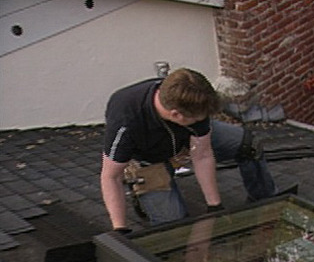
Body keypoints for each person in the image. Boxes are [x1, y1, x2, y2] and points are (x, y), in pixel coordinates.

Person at [101, 67, 281, 232]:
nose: (201, 121)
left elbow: (202, 154)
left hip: (183, 139)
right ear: (176, 114)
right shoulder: (126, 120)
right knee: (176, 227)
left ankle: (265, 203)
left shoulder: (191, 101)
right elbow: (111, 176)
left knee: (249, 144)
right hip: (149, 161)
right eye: (198, 119)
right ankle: (142, 193)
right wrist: (120, 230)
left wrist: (214, 206)